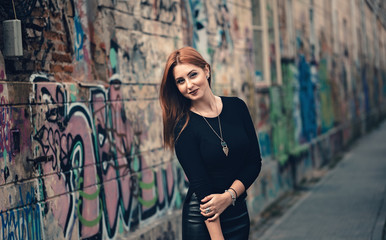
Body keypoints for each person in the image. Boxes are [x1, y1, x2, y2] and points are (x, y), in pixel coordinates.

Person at [159, 46, 262, 240]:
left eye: (193, 75)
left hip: (237, 211)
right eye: (181, 81)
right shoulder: (184, 127)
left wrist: (229, 196)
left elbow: (254, 163)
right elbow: (203, 189)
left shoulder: (237, 107)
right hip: (204, 221)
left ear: (206, 70)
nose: (189, 85)